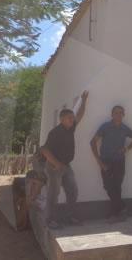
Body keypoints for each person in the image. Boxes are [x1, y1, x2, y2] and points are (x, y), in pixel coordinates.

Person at [40, 90, 89, 228]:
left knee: (72, 191)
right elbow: (44, 149)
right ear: (61, 119)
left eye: (72, 118)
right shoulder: (55, 132)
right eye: (69, 118)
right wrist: (56, 164)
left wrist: (84, 101)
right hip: (54, 167)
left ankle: (70, 217)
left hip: (66, 166)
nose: (72, 120)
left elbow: (80, 115)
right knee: (53, 194)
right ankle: (49, 220)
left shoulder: (70, 128)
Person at [90, 105, 132, 222]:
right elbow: (92, 142)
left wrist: (126, 149)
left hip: (119, 161)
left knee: (117, 187)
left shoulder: (124, 128)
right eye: (116, 113)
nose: (118, 115)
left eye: (120, 113)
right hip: (106, 161)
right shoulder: (105, 127)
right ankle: (122, 208)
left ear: (124, 115)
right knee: (108, 186)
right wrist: (99, 161)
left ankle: (114, 213)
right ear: (112, 114)